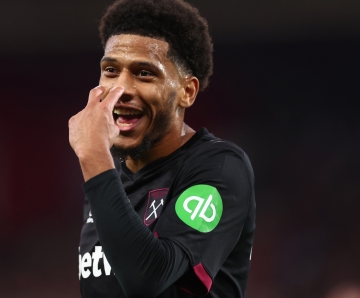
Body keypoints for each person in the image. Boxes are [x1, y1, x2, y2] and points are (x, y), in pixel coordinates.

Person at [68, 0, 255, 297]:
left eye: (144, 73)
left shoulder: (218, 166)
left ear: (187, 91)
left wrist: (93, 156)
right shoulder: (108, 180)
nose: (122, 89)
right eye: (111, 70)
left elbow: (147, 279)